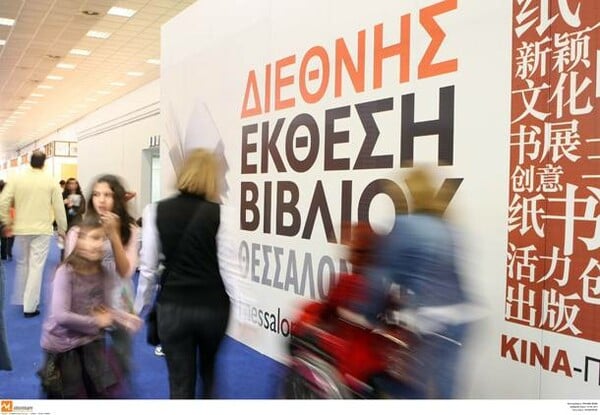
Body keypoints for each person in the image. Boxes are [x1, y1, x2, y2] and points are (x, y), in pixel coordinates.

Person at [362, 166, 472, 399]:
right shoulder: (446, 227)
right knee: (444, 391)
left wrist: (370, 315)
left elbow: (380, 279)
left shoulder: (406, 226)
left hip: (431, 321)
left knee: (413, 388)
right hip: (461, 318)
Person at [134, 148, 230, 399]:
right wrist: (243, 311)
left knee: (179, 382)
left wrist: (140, 307)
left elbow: (148, 268)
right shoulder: (221, 213)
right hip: (213, 308)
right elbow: (231, 269)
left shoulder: (154, 211)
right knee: (209, 373)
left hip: (173, 308)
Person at [38, 217, 138, 398]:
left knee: (97, 391)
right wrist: (96, 321)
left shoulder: (104, 273)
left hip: (90, 341)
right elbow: (61, 316)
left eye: (100, 238)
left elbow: (105, 308)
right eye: (91, 238)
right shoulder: (66, 272)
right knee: (69, 395)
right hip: (63, 346)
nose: (96, 244)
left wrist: (123, 317)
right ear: (79, 242)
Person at [64, 175, 139, 377]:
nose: (102, 200)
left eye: (108, 195)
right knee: (88, 365)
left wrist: (114, 235)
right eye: (97, 195)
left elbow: (126, 272)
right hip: (89, 302)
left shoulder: (130, 229)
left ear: (117, 198)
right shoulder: (79, 229)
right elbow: (69, 270)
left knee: (122, 361)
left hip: (120, 300)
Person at [0, 151, 67, 317]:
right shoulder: (50, 180)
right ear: (44, 163)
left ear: (30, 162)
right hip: (41, 230)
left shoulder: (17, 179)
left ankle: (22, 298)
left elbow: (2, 202)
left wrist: (7, 222)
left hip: (21, 229)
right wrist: (62, 229)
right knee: (36, 267)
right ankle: (30, 307)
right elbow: (59, 207)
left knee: (23, 265)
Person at [0, 180, 14, 261]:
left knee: (4, 238)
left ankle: (4, 255)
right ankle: (5, 254)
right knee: (6, 238)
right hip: (5, 220)